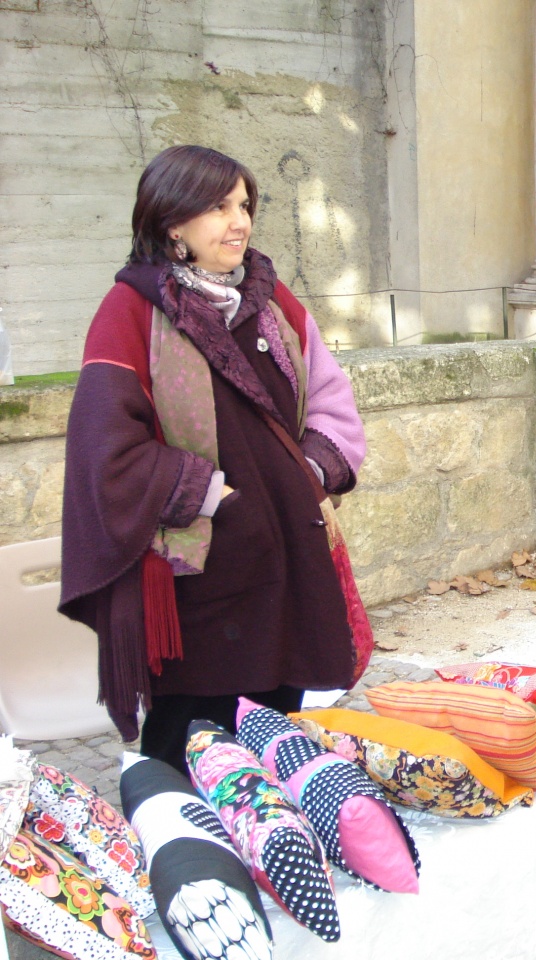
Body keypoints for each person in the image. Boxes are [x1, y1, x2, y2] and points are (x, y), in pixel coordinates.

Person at [59, 145, 367, 772]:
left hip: (287, 554)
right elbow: (105, 449)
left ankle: (272, 823)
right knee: (191, 738)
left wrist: (307, 474)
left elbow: (331, 399)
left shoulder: (271, 300)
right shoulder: (130, 311)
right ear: (173, 221)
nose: (240, 222)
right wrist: (215, 498)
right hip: (199, 571)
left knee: (277, 728)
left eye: (245, 206)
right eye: (219, 207)